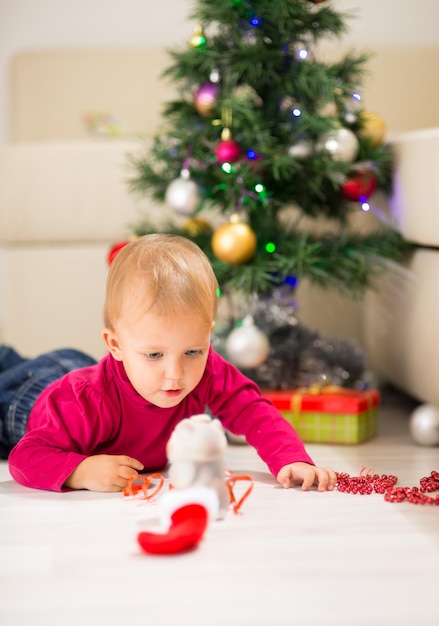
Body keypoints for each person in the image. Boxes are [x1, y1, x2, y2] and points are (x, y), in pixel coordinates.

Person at [2, 234, 337, 493]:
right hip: (31, 398)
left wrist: (290, 458)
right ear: (115, 345)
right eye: (154, 355)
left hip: (86, 370)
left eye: (192, 352)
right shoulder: (85, 401)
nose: (176, 374)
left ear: (209, 336)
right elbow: (24, 458)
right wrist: (80, 472)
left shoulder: (204, 369)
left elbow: (251, 408)